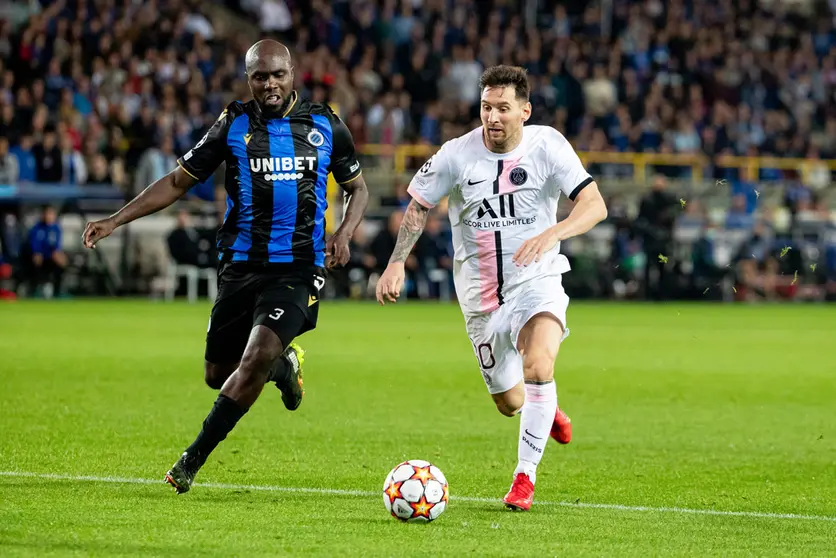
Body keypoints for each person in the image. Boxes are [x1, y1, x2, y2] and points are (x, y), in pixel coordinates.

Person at [81, 40, 369, 494]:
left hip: (299, 266)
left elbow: (358, 188)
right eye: (260, 76)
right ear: (248, 77)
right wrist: (116, 219)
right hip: (240, 264)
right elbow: (178, 181)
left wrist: (345, 233)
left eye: (277, 74)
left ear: (293, 73)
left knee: (253, 358)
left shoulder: (324, 123)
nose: (269, 84)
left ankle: (190, 460)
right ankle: (281, 366)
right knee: (218, 373)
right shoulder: (233, 123)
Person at [375, 65, 607, 511]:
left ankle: (524, 478)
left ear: (525, 110)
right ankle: (548, 410)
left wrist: (553, 233)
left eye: (503, 108)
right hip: (481, 297)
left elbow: (594, 205)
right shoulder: (456, 155)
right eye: (486, 107)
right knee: (509, 400)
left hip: (536, 279)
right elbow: (419, 206)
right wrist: (396, 262)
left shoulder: (548, 145)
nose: (493, 117)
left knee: (538, 364)